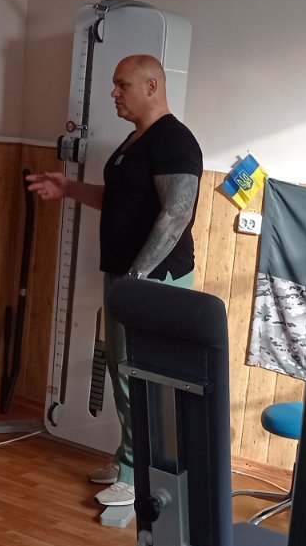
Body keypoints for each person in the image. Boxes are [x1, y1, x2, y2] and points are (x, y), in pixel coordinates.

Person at [27, 54, 201, 510]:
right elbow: (121, 199)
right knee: (124, 371)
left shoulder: (174, 140)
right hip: (126, 276)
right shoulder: (134, 140)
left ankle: (142, 476)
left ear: (151, 86)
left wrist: (138, 278)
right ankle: (128, 461)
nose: (114, 93)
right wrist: (68, 188)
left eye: (122, 84)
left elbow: (177, 213)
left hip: (153, 281)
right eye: (114, 84)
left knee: (144, 378)